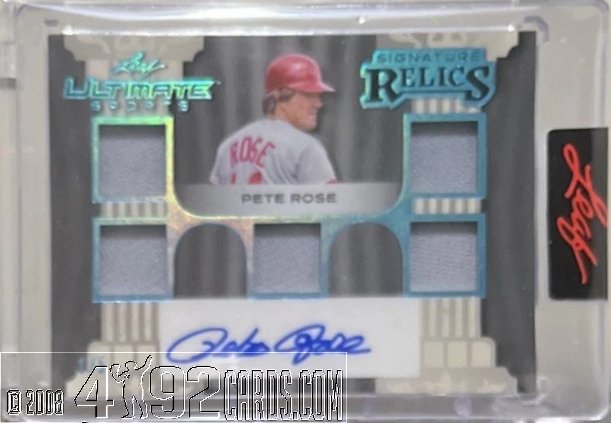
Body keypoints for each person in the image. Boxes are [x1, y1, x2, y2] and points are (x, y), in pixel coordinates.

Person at [209, 53, 337, 185]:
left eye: (317, 96)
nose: (318, 104)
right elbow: (332, 198)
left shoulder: (227, 147)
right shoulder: (307, 148)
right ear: (281, 95)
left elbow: (213, 196)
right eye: (309, 95)